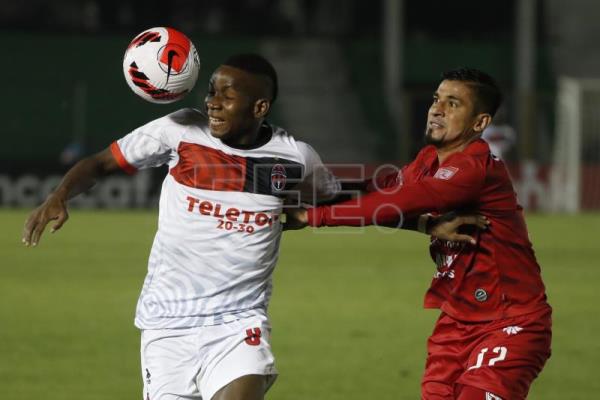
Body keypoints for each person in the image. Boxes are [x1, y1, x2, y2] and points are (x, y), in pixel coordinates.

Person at [21, 54, 483, 400]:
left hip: (237, 322)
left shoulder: (293, 157)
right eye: (211, 92)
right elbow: (101, 163)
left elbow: (344, 199)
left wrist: (420, 222)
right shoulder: (179, 132)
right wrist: (60, 194)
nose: (213, 103)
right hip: (167, 325)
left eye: (226, 94)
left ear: (260, 106)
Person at [286, 68, 552, 400]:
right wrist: (310, 191)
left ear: (480, 123)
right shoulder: (429, 159)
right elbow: (378, 191)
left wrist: (312, 216)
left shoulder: (472, 168)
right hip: (455, 323)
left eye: (453, 104)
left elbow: (395, 202)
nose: (437, 109)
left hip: (510, 323)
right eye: (437, 99)